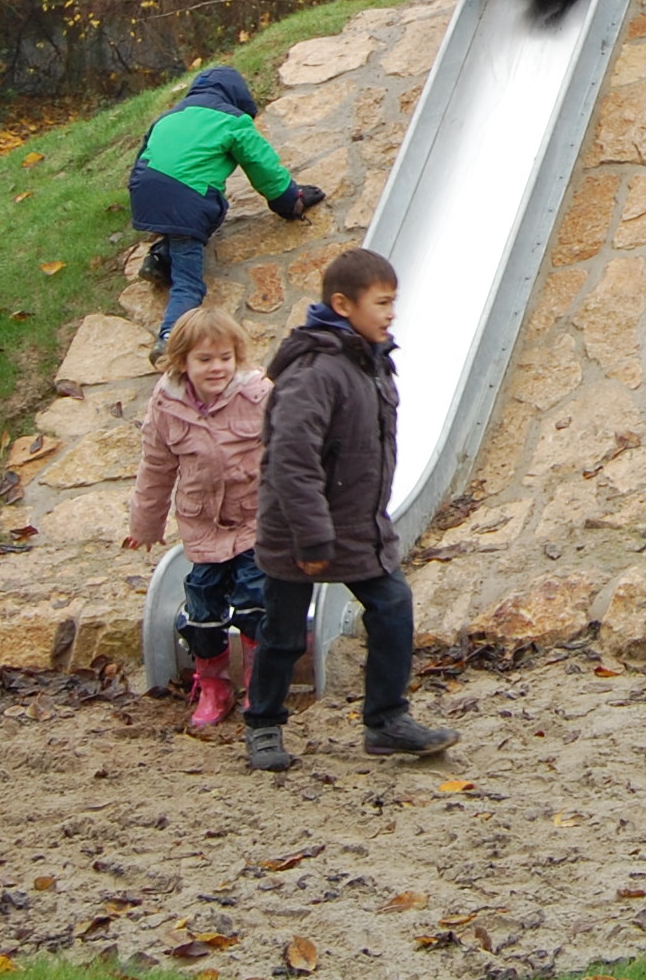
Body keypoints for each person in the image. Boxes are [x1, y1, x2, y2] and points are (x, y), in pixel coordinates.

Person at [241, 247, 458, 770]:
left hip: (359, 525)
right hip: (300, 530)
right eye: (381, 302)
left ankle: (386, 721)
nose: (391, 313)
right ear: (342, 304)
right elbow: (291, 462)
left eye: (393, 302)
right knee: (284, 633)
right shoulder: (313, 372)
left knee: (392, 608)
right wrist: (313, 539)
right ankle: (264, 724)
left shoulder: (372, 361)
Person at [122, 308, 273, 729]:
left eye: (225, 357)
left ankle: (258, 682)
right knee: (203, 609)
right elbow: (156, 469)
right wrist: (145, 525)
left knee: (255, 601)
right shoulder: (168, 406)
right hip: (203, 527)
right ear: (183, 363)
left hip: (254, 520)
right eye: (205, 360)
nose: (217, 368)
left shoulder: (258, 395)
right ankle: (212, 685)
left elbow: (294, 449)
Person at [129, 68, 325, 353]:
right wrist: (289, 200)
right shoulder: (233, 120)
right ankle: (171, 337)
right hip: (185, 198)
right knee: (189, 283)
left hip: (144, 190)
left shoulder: (168, 117)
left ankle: (161, 257)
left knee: (180, 224)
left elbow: (144, 157)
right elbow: (263, 168)